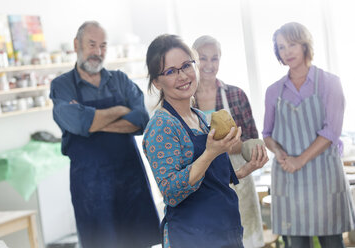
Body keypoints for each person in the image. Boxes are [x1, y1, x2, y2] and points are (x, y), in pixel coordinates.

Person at [142, 34, 268, 248]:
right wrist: (210, 152)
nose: (182, 76)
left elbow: (210, 181)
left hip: (224, 231)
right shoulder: (161, 127)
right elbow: (172, 193)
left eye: (186, 65)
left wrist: (245, 170)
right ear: (156, 81)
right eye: (171, 71)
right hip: (193, 237)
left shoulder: (199, 117)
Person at [49, 21, 160, 248]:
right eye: (92, 45)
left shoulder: (120, 80)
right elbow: (76, 121)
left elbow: (141, 119)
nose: (98, 52)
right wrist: (120, 110)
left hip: (131, 183)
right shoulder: (62, 86)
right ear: (76, 44)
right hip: (90, 189)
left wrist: (92, 123)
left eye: (103, 46)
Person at [263, 22, 355, 248]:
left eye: (292, 44)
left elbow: (331, 130)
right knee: (296, 244)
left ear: (305, 45)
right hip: (288, 179)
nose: (287, 52)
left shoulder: (330, 83)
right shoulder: (273, 91)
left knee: (332, 241)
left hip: (323, 176)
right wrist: (279, 152)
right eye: (281, 47)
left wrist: (299, 160)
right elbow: (267, 133)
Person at [192, 35, 264, 248]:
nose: (209, 65)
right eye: (202, 58)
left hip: (239, 182)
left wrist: (239, 145)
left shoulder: (236, 95)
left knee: (244, 239)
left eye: (214, 59)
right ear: (193, 61)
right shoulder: (185, 99)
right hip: (203, 184)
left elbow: (252, 138)